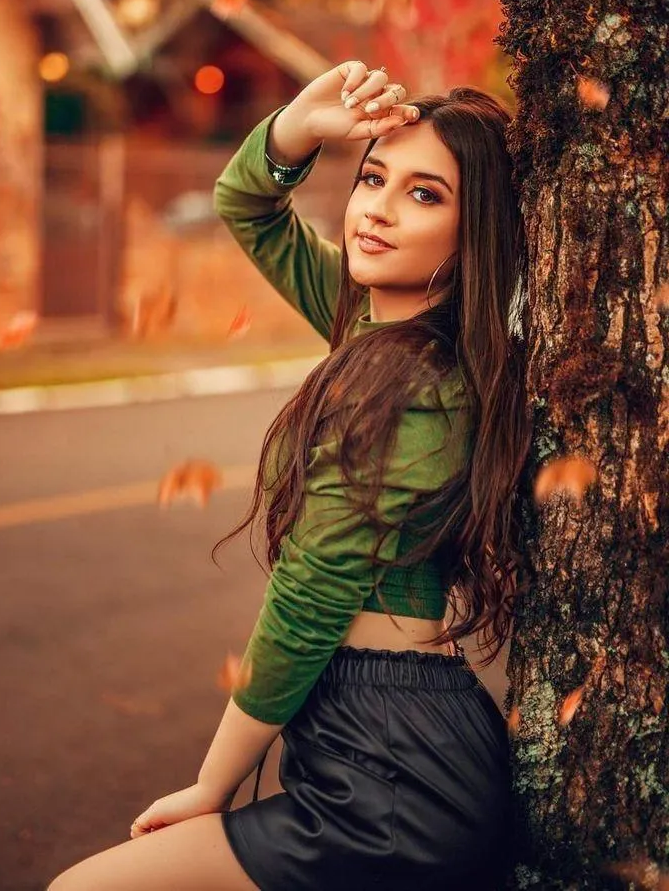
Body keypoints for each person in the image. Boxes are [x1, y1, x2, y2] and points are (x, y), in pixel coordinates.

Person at [47, 59, 532, 891]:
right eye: (374, 177)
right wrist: (300, 126)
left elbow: (313, 593)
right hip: (382, 736)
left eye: (425, 194)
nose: (377, 207)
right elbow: (249, 204)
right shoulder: (366, 328)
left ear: (474, 231)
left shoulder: (421, 384)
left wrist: (213, 782)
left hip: (393, 766)